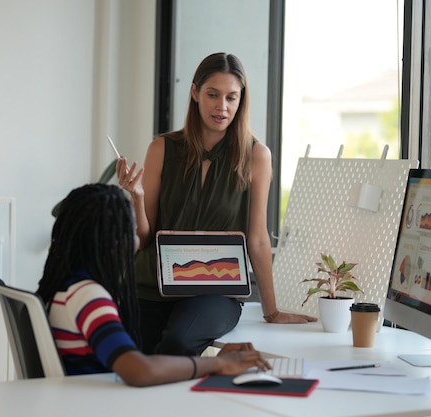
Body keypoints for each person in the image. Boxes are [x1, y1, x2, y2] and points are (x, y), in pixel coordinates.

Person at [116, 52, 316, 357]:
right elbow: (144, 237)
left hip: (216, 292)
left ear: (241, 101)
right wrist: (137, 197)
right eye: (212, 95)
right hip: (152, 285)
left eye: (231, 97)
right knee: (124, 356)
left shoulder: (256, 156)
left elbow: (258, 238)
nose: (222, 106)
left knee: (178, 344)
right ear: (195, 93)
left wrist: (271, 310)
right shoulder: (162, 149)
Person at [36, 183, 270, 387]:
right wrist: (218, 363)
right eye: (132, 231)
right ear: (113, 241)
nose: (138, 242)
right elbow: (139, 370)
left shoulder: (66, 287)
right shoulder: (88, 297)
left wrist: (212, 362)